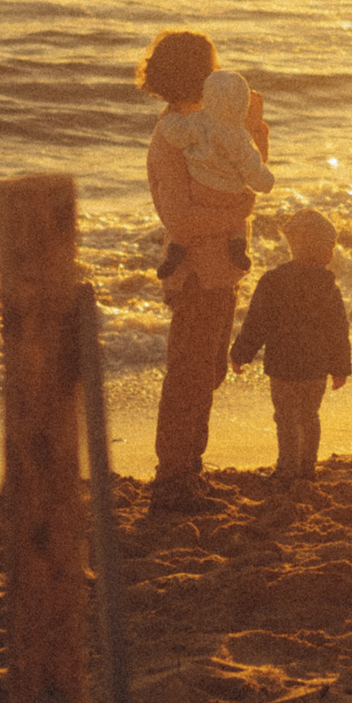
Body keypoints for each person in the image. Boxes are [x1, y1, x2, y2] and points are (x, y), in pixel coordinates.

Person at [139, 30, 267, 511]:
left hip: (221, 273)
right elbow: (181, 220)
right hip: (194, 273)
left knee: (209, 371)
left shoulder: (207, 129)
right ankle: (172, 479)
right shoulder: (170, 139)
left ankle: (189, 468)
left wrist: (254, 126)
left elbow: (246, 178)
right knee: (189, 375)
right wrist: (235, 219)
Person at [229, 207, 352, 482]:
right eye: (330, 247)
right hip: (315, 368)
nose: (332, 253)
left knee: (286, 418)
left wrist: (240, 354)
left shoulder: (273, 281)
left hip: (283, 367)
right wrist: (340, 367)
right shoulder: (328, 286)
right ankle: (307, 467)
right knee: (309, 416)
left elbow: (256, 324)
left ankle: (287, 468)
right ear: (323, 251)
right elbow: (338, 331)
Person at [152, 69, 274, 276]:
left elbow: (178, 132)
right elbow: (251, 167)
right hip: (229, 193)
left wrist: (166, 122)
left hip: (200, 187)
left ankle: (176, 251)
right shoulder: (240, 136)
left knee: (182, 231)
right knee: (238, 217)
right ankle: (237, 246)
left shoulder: (198, 121)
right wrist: (267, 181)